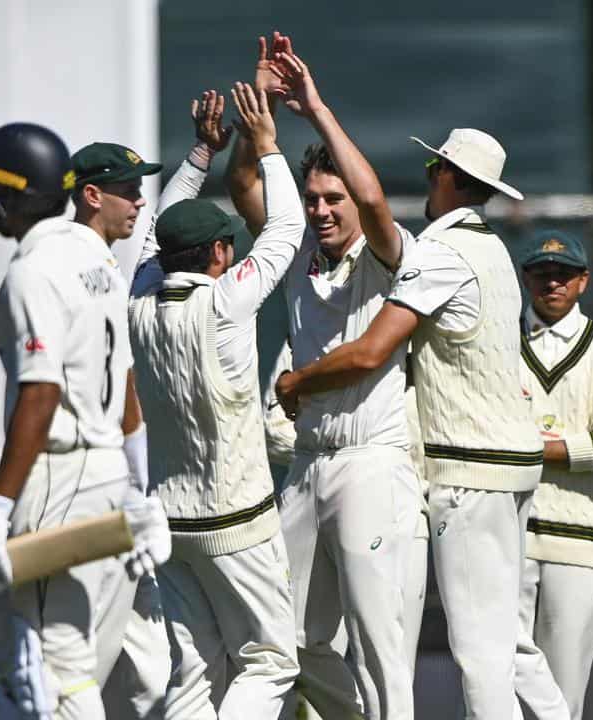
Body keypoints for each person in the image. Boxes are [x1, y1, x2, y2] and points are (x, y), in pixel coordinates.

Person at [276, 127, 566, 719]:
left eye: (434, 167)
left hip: (470, 471)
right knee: (503, 645)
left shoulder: (441, 252)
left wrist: (297, 382)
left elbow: (368, 351)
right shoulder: (491, 250)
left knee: (481, 655)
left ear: (444, 175)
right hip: (505, 466)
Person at [0, 121, 170, 720]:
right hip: (103, 478)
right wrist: (137, 484)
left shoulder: (34, 270)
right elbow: (123, 382)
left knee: (56, 672)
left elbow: (40, 396)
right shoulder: (96, 263)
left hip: (59, 480)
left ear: (21, 192)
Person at [227, 41, 423, 720]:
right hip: (307, 466)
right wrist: (258, 130)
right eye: (312, 199)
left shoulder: (385, 254)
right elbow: (244, 189)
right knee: (286, 637)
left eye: (330, 198)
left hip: (371, 465)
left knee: (377, 640)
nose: (321, 211)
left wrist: (313, 107)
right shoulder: (300, 248)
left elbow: (371, 197)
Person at [128, 82, 304, 719]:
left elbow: (156, 234)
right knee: (271, 661)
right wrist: (267, 146)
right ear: (222, 254)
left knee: (195, 671)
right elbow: (287, 224)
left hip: (172, 522)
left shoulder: (139, 300)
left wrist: (203, 152)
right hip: (237, 519)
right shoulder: (227, 301)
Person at [71, 90, 236, 720]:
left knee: (149, 676)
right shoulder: (67, 265)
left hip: (138, 497)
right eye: (126, 190)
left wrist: (200, 153)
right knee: (78, 665)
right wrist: (137, 490)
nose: (139, 200)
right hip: (96, 493)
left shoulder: (117, 272)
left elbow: (163, 226)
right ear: (92, 195)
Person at [512, 230, 593, 720]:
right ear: (525, 278)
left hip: (581, 538)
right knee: (490, 689)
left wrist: (535, 450)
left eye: (564, 274)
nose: (553, 283)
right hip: (505, 535)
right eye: (543, 273)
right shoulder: (497, 342)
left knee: (563, 698)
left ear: (583, 281)